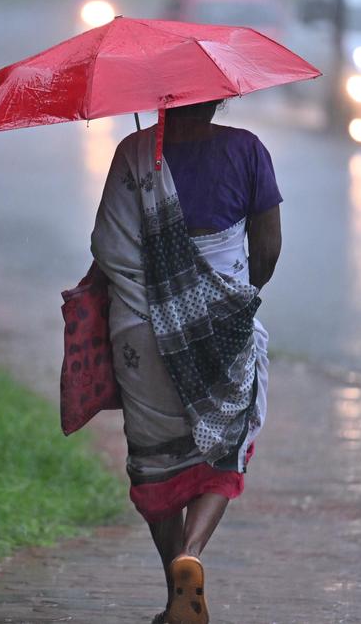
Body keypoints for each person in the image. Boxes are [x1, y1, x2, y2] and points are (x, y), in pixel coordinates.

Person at [90, 99, 282, 624]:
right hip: (222, 330)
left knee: (156, 458)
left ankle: (176, 591)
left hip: (140, 331)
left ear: (160, 98)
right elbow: (267, 251)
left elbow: (108, 251)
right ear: (219, 96)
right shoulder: (248, 151)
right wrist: (226, 299)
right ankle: (191, 554)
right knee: (226, 444)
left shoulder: (133, 154)